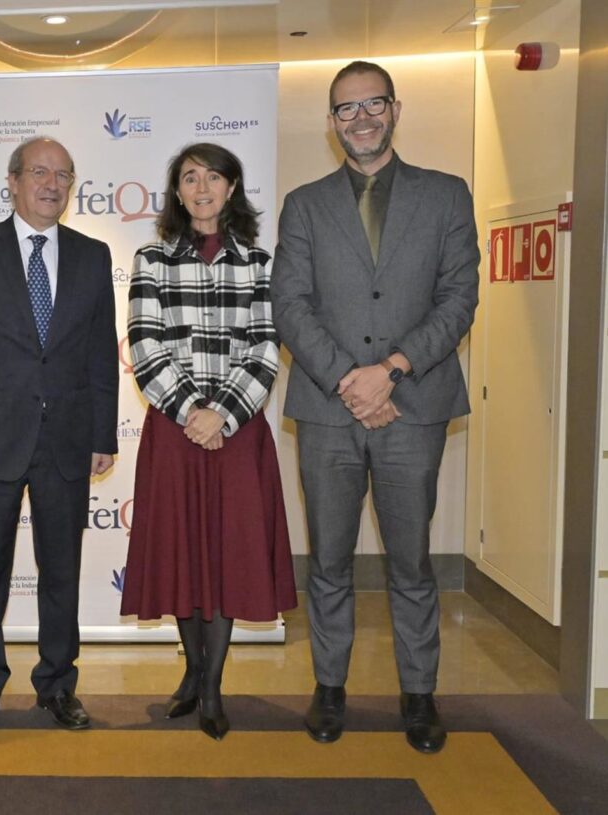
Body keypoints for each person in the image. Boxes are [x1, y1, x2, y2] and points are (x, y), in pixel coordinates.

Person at [271, 61, 479, 754]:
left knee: (411, 562)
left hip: (412, 407)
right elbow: (290, 307)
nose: (360, 118)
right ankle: (330, 688)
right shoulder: (303, 204)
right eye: (345, 109)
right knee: (329, 560)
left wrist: (389, 371)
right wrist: (349, 382)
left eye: (372, 105)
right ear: (330, 122)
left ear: (395, 108)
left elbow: (458, 298)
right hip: (330, 411)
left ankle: (418, 696)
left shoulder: (446, 195)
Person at [0, 136, 119, 738]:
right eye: (39, 172)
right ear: (12, 180)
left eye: (63, 174)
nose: (52, 184)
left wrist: (102, 434)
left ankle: (58, 686)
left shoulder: (92, 256)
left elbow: (100, 358)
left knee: (61, 569)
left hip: (66, 437)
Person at [120, 142, 297, 741]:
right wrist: (192, 411)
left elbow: (265, 348)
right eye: (190, 178)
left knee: (224, 555)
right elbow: (145, 346)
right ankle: (192, 674)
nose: (201, 188)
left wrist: (221, 414)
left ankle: (213, 684)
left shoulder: (259, 261)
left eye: (213, 178)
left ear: (231, 188)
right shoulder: (151, 259)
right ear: (176, 190)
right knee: (181, 553)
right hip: (173, 431)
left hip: (238, 433)